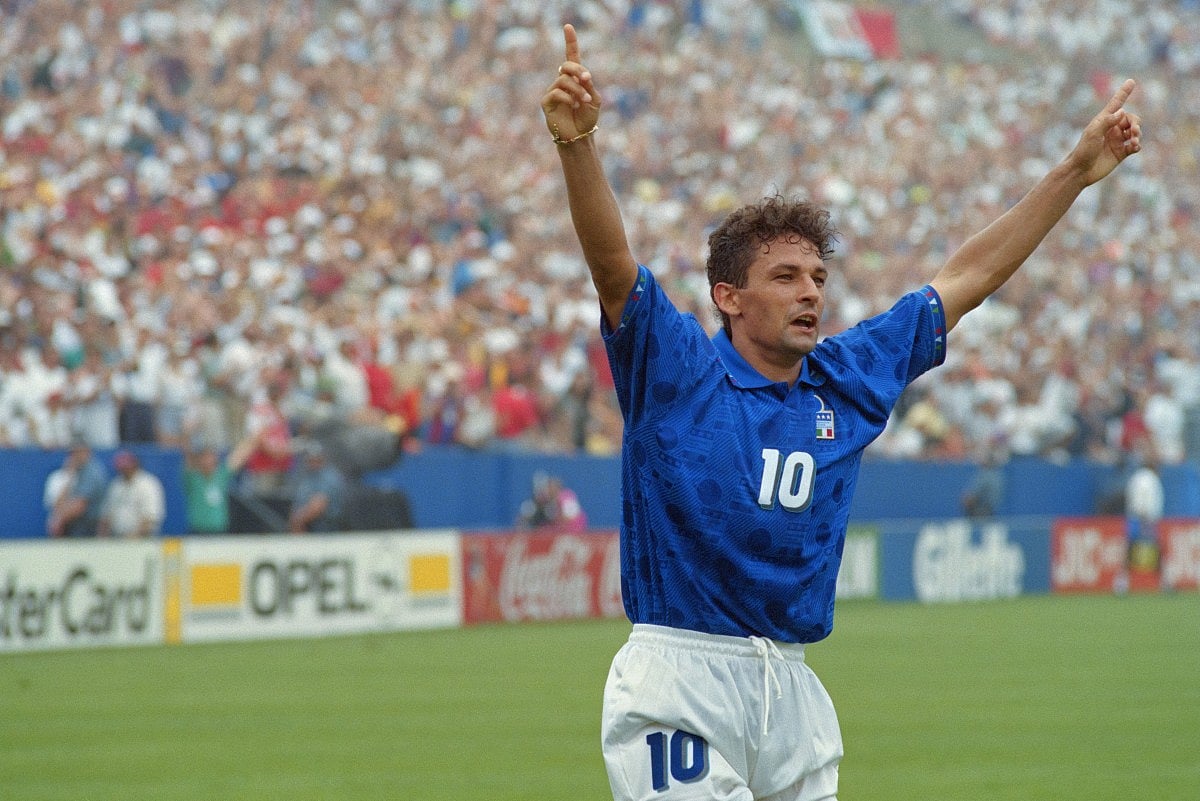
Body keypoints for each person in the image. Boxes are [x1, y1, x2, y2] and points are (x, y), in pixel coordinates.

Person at [541, 23, 1141, 800]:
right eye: (785, 276)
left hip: (792, 688)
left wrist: (1073, 173)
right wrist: (578, 146)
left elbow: (967, 278)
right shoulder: (678, 369)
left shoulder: (846, 377)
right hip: (678, 679)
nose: (811, 291)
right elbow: (614, 268)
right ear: (729, 297)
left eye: (818, 275)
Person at [44, 441, 109, 538]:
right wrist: (68, 477)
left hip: (89, 526)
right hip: (78, 524)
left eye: (77, 452)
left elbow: (80, 506)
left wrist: (59, 519)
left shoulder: (92, 472)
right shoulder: (78, 472)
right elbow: (57, 504)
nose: (73, 457)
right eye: (71, 453)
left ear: (87, 452)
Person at [97, 450, 166, 538]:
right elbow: (107, 515)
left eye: (126, 467)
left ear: (135, 465)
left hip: (143, 539)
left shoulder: (148, 484)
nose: (123, 470)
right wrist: (102, 537)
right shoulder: (116, 484)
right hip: (117, 539)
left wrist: (133, 536)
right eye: (121, 467)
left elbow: (151, 519)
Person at [286, 440, 348, 534]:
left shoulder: (329, 477)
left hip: (324, 529)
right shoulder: (307, 476)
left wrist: (297, 521)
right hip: (306, 528)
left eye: (316, 458)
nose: (313, 462)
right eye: (310, 459)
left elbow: (318, 506)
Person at [517, 471, 589, 533]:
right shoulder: (547, 501)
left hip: (572, 533)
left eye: (550, 487)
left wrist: (556, 522)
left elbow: (570, 517)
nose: (548, 489)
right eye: (548, 487)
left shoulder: (566, 497)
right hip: (557, 531)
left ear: (557, 487)